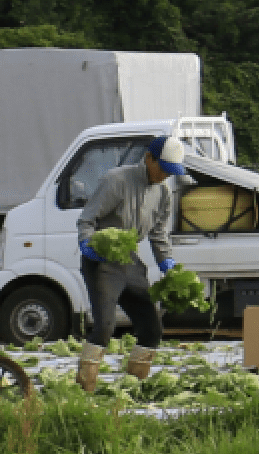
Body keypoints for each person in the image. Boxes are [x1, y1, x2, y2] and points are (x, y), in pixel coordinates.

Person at [74, 135, 182, 386]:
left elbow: (158, 233)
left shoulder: (164, 193)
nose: (165, 175)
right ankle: (84, 388)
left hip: (130, 261)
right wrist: (86, 244)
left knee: (152, 330)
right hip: (102, 261)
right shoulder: (116, 180)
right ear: (148, 158)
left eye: (171, 172)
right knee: (105, 328)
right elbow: (87, 220)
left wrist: (167, 262)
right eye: (163, 168)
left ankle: (132, 385)